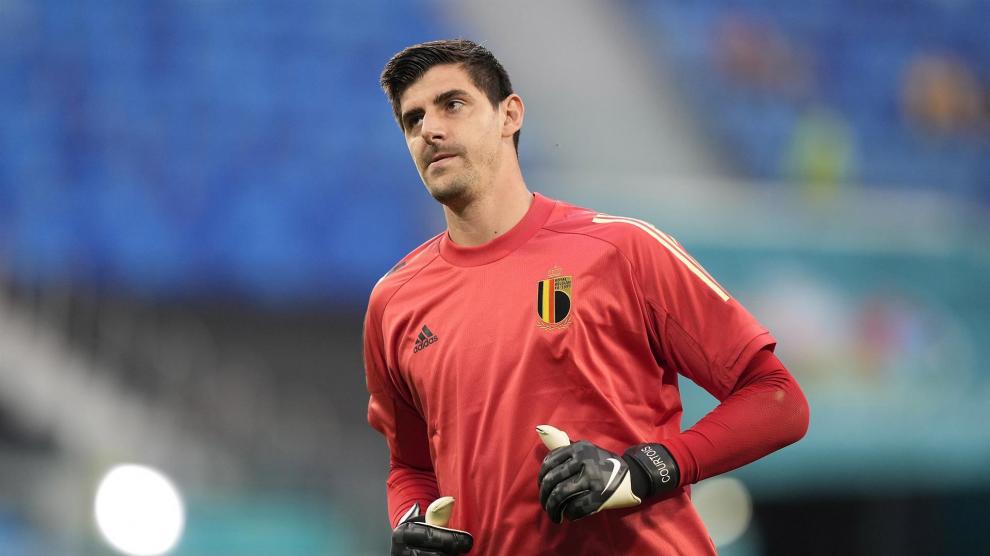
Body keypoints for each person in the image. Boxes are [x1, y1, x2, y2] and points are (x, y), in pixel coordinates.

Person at [365, 39, 809, 556]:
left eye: (452, 104)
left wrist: (646, 470)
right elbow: (412, 467)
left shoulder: (621, 250)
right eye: (411, 119)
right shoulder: (394, 302)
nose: (430, 130)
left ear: (509, 115)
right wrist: (413, 525)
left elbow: (778, 399)